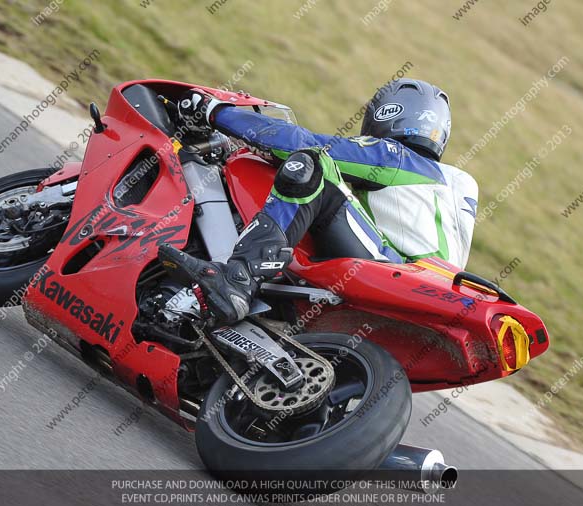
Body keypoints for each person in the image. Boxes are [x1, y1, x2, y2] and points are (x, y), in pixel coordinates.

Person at [159, 79, 479, 324]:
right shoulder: (459, 184)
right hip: (431, 294)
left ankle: (238, 278)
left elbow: (303, 144)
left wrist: (216, 112)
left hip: (397, 271)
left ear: (388, 115)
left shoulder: (397, 158)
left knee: (314, 163)